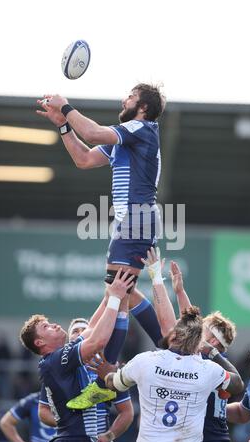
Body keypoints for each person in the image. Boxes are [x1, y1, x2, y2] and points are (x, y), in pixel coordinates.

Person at [37, 84, 165, 354]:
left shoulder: (141, 129)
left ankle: (106, 363)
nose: (124, 100)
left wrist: (66, 107)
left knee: (116, 293)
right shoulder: (127, 137)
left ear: (143, 108)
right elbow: (83, 159)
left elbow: (93, 132)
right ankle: (165, 344)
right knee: (121, 293)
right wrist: (63, 125)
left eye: (130, 97)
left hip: (135, 217)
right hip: (132, 219)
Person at [89, 252, 243, 442]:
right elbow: (186, 325)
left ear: (210, 340)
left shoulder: (147, 361)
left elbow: (169, 324)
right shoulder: (209, 368)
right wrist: (177, 291)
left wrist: (139, 280)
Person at [20, 270, 133, 442]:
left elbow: (94, 327)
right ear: (40, 342)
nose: (55, 324)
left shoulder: (66, 356)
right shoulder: (55, 360)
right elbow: (98, 340)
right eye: (46, 327)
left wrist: (111, 293)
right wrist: (115, 298)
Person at [170, 258, 241, 442]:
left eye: (204, 329)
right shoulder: (213, 359)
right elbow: (189, 321)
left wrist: (180, 293)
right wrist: (179, 291)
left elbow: (188, 322)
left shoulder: (213, 362)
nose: (197, 330)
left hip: (209, 440)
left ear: (214, 341)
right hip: (207, 438)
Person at [69, 318, 134, 442]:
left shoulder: (107, 368)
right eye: (75, 331)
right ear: (69, 339)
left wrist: (109, 436)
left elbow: (127, 412)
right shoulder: (58, 367)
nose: (81, 334)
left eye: (85, 331)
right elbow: (44, 412)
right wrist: (67, 425)